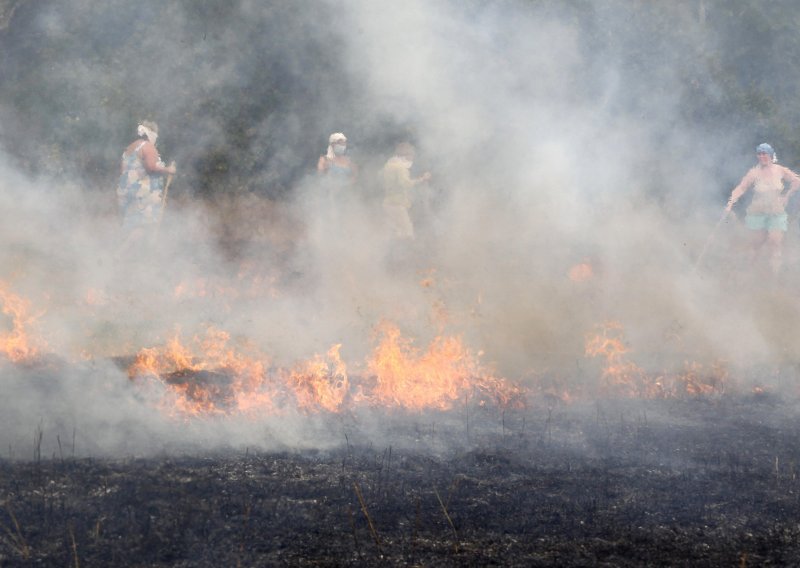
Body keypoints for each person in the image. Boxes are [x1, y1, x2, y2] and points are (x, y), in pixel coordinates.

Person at [726, 143, 800, 273]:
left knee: (775, 242)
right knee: (756, 244)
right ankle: (750, 272)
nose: (761, 156)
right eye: (759, 154)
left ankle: (774, 277)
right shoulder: (754, 172)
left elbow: (796, 181)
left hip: (776, 211)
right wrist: (731, 202)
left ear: (770, 155)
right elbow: (741, 187)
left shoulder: (780, 170)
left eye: (764, 153)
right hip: (757, 211)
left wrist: (787, 196)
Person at [116, 121, 176, 242]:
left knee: (130, 223)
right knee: (144, 226)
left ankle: (123, 253)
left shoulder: (130, 147)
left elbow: (123, 170)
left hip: (126, 190)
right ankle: (120, 255)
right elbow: (151, 167)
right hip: (141, 192)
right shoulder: (148, 146)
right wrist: (168, 169)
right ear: (152, 134)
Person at [381, 142, 431, 240]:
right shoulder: (400, 168)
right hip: (398, 204)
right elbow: (406, 184)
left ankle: (395, 253)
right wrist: (422, 179)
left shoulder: (388, 165)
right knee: (408, 233)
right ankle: (406, 253)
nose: (412, 158)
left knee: (398, 231)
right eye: (411, 155)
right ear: (406, 155)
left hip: (388, 203)